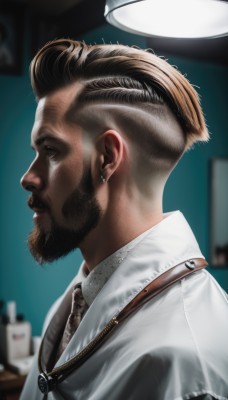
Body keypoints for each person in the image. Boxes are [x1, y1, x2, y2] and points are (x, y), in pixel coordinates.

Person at [20, 38, 228, 400]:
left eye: (50, 150)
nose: (29, 177)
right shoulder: (72, 305)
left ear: (106, 157)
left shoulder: (185, 361)